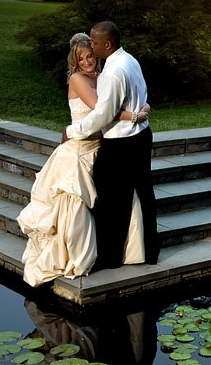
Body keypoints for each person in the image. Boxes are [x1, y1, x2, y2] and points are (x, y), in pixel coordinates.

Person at [17, 32, 149, 287]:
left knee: (118, 198)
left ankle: (125, 252)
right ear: (75, 61)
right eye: (82, 58)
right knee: (76, 203)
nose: (88, 61)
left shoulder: (103, 76)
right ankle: (76, 256)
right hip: (78, 149)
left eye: (90, 55)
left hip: (102, 146)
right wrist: (136, 115)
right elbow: (103, 109)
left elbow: (121, 100)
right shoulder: (77, 79)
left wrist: (143, 107)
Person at [63, 21, 160, 269]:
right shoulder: (129, 60)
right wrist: (141, 112)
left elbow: (103, 114)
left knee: (109, 201)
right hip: (141, 136)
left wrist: (72, 130)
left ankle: (110, 258)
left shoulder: (114, 72)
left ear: (108, 44)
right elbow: (143, 94)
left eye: (94, 43)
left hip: (121, 142)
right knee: (144, 194)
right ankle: (150, 252)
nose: (91, 48)